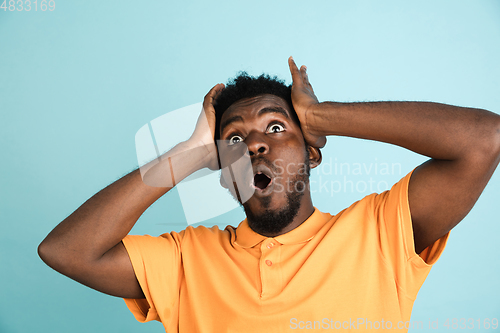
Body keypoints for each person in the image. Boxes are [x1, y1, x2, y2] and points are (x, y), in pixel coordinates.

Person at [38, 57, 500, 332]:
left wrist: (320, 118)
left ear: (312, 156)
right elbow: (66, 251)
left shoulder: (381, 232)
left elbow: (484, 140)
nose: (255, 144)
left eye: (275, 127)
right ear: (225, 175)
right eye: (234, 139)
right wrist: (191, 153)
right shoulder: (186, 261)